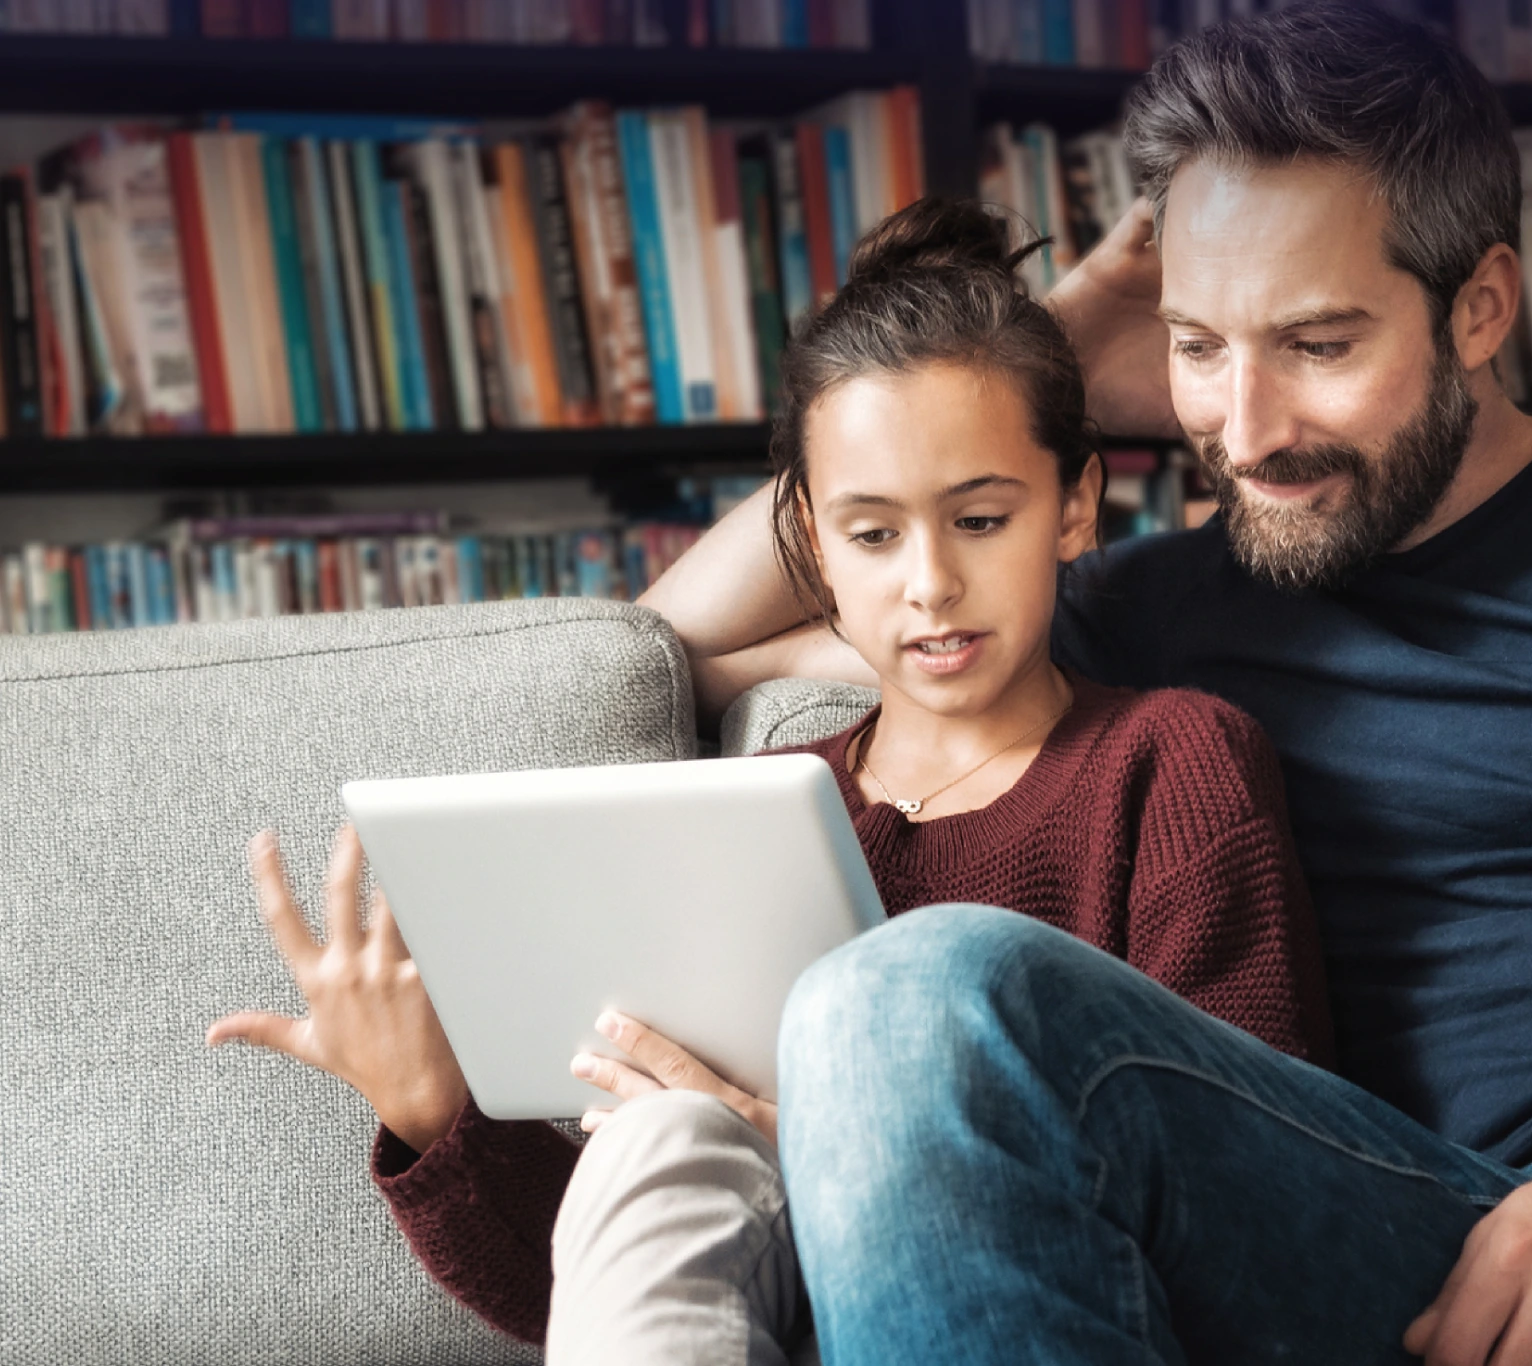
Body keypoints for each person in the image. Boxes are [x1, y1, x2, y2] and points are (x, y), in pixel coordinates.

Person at [642, 6, 1532, 1363]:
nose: (1243, 433)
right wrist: (1021, 365)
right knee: (902, 1000)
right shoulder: (1131, 607)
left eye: (1316, 345)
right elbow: (673, 648)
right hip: (1425, 1233)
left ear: (1480, 304)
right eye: (1200, 348)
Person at [205, 197, 1333, 1365]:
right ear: (809, 541)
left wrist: (840, 1162)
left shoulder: (1170, 761)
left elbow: (1245, 1189)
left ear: (1074, 506)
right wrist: (432, 1108)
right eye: (872, 535)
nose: (931, 585)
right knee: (657, 1147)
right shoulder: (757, 808)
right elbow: (604, 1278)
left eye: (981, 518)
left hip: (1036, 1302)